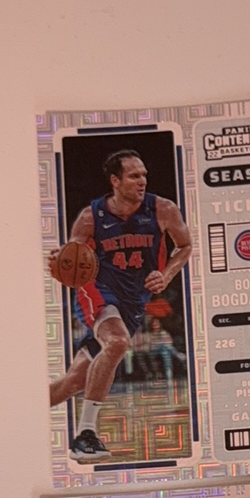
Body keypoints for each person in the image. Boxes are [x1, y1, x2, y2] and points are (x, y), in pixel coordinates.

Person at [48, 150, 193, 463]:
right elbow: (73, 257)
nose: (143, 181)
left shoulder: (163, 210)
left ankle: (22, 412)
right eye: (134, 176)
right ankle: (86, 434)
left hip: (132, 301)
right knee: (117, 342)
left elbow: (185, 245)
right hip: (97, 291)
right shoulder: (91, 217)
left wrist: (166, 274)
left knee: (75, 381)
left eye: (144, 175)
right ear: (115, 181)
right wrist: (61, 258)